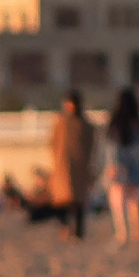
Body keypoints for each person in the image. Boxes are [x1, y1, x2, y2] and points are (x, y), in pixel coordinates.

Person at [106, 85, 139, 246]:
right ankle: (136, 232)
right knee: (134, 201)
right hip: (135, 167)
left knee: (118, 201)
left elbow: (110, 147)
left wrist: (111, 165)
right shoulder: (138, 123)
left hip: (119, 166)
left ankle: (122, 233)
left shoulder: (115, 123)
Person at [49, 90, 97, 243]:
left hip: (80, 167)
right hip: (63, 166)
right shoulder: (61, 122)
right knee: (63, 201)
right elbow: (53, 142)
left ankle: (78, 232)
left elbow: (91, 145)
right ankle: (66, 228)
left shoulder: (86, 124)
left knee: (79, 201)